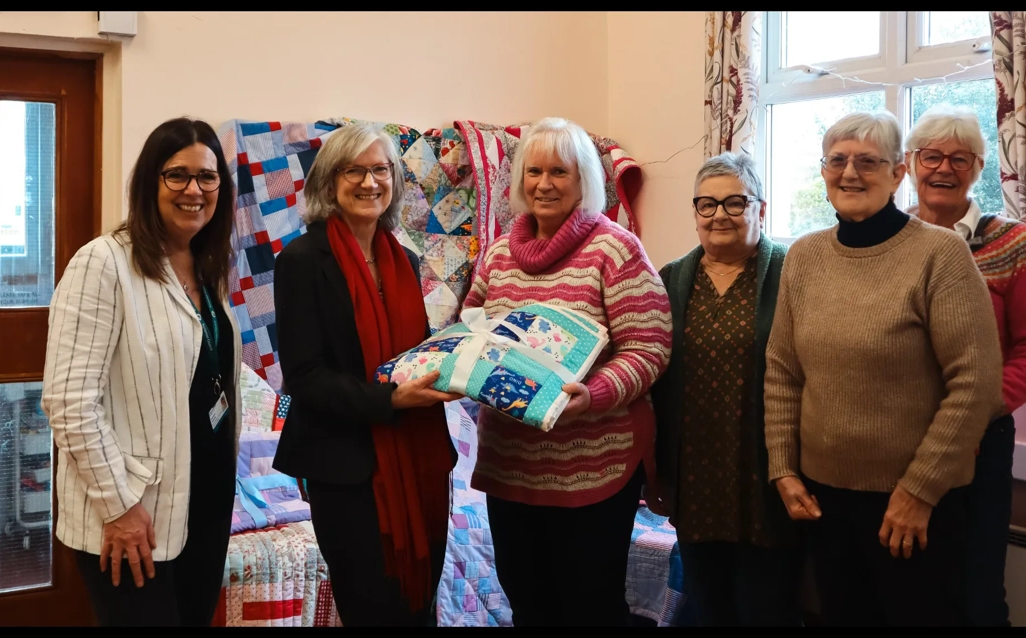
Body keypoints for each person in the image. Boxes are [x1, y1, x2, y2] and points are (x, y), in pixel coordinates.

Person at [764, 110, 1005, 626]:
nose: (850, 173)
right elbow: (783, 372)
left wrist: (919, 491)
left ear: (898, 173)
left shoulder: (940, 254)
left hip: (915, 506)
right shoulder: (803, 257)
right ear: (823, 171)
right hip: (824, 500)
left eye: (868, 162)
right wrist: (783, 468)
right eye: (838, 161)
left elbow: (976, 384)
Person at [462, 117, 672, 627]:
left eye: (560, 171)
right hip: (511, 464)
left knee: (590, 607)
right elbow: (470, 332)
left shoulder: (614, 250)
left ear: (585, 182)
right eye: (534, 171)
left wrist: (594, 393)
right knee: (529, 603)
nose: (544, 184)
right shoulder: (497, 256)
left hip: (594, 464)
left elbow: (650, 346)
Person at [41, 117, 242, 626]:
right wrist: (119, 507)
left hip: (205, 507)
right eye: (177, 175)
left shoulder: (207, 266)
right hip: (136, 517)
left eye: (207, 177)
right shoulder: (103, 263)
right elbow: (69, 402)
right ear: (149, 181)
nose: (194, 190)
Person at [272, 123, 459, 627]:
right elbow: (305, 377)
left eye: (381, 170)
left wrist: (457, 365)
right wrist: (390, 401)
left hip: (419, 462)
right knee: (372, 609)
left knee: (419, 608)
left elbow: (413, 355)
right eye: (354, 170)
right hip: (348, 472)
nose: (370, 182)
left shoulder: (406, 260)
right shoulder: (302, 261)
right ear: (330, 181)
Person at [905, 104, 1026, 627]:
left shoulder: (1012, 242)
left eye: (960, 158)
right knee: (910, 589)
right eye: (931, 156)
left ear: (978, 168)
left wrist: (969, 417)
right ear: (909, 163)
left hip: (979, 441)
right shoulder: (889, 239)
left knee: (976, 593)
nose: (944, 168)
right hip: (897, 439)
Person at [648, 151, 802, 626]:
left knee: (767, 606)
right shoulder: (671, 279)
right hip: (696, 477)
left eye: (735, 202)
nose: (719, 215)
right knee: (708, 605)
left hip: (767, 471)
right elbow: (652, 377)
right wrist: (656, 473)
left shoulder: (791, 273)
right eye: (706, 204)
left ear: (761, 209)